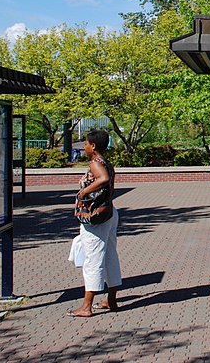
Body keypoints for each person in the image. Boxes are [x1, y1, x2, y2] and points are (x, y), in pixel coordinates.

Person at [68, 130, 122, 317]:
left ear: (93, 146)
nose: (84, 147)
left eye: (86, 144)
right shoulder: (106, 162)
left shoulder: (95, 163)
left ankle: (86, 306)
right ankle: (111, 299)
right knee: (109, 256)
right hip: (109, 213)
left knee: (93, 259)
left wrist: (83, 193)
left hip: (97, 218)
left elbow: (103, 179)